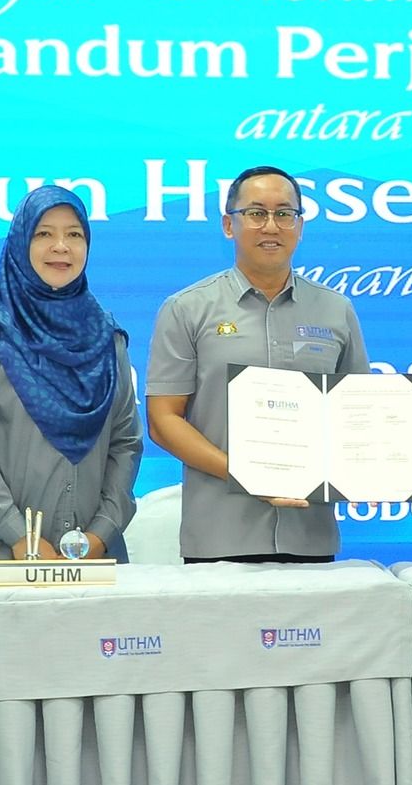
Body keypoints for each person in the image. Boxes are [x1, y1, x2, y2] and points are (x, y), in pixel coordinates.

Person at [146, 165, 371, 563]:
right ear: (228, 225)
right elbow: (163, 420)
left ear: (300, 226)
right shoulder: (186, 308)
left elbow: (360, 414)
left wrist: (375, 463)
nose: (271, 226)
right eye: (255, 213)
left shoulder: (336, 310)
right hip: (219, 537)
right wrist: (244, 471)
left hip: (310, 535)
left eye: (284, 213)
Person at [0, 185, 141, 563]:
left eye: (74, 234)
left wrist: (101, 534)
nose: (61, 246)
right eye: (43, 233)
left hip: (93, 560)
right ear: (19, 243)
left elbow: (125, 443)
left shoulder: (107, 337)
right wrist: (19, 535)